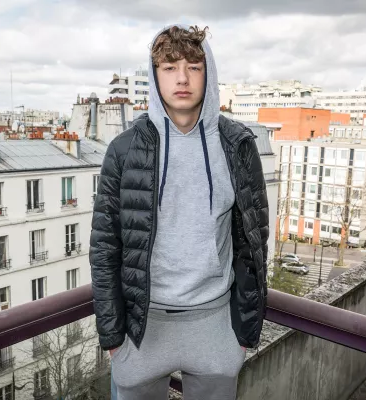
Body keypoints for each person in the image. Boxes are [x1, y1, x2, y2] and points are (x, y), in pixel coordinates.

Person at [90, 24, 269, 400]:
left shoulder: (238, 145)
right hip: (143, 329)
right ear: (155, 77)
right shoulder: (124, 150)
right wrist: (112, 336)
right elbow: (105, 247)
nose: (183, 78)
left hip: (215, 326)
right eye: (170, 67)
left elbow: (253, 241)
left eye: (194, 66)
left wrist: (244, 331)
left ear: (210, 74)